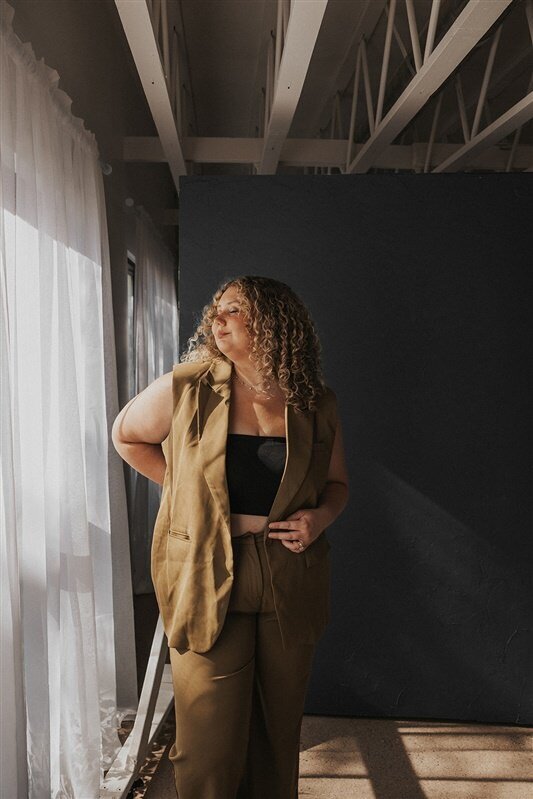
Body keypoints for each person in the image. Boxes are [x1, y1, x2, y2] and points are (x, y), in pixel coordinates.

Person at [112, 275, 349, 799]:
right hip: (203, 569)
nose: (218, 319)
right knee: (208, 744)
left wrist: (320, 520)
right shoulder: (189, 384)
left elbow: (336, 485)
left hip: (288, 572)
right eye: (216, 310)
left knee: (277, 734)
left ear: (273, 321)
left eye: (234, 309)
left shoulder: (315, 402)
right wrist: (186, 493)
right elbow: (126, 435)